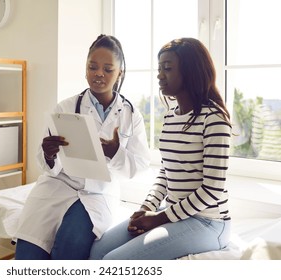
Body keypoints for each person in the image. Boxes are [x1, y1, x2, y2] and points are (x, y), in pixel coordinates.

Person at [89, 37, 232, 260]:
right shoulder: (170, 116)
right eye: (159, 68)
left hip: (208, 222)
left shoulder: (214, 119)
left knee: (113, 262)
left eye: (167, 68)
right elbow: (166, 173)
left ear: (190, 72)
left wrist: (159, 218)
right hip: (174, 214)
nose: (159, 75)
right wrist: (146, 208)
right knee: (97, 251)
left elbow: (212, 189)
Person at [13, 34, 151, 260]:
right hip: (57, 186)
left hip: (99, 192)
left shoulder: (131, 114)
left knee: (70, 244)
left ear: (119, 73)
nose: (99, 73)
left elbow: (140, 165)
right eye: (93, 67)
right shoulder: (66, 107)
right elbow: (45, 163)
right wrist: (48, 155)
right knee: (29, 251)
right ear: (85, 69)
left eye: (108, 69)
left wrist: (114, 152)